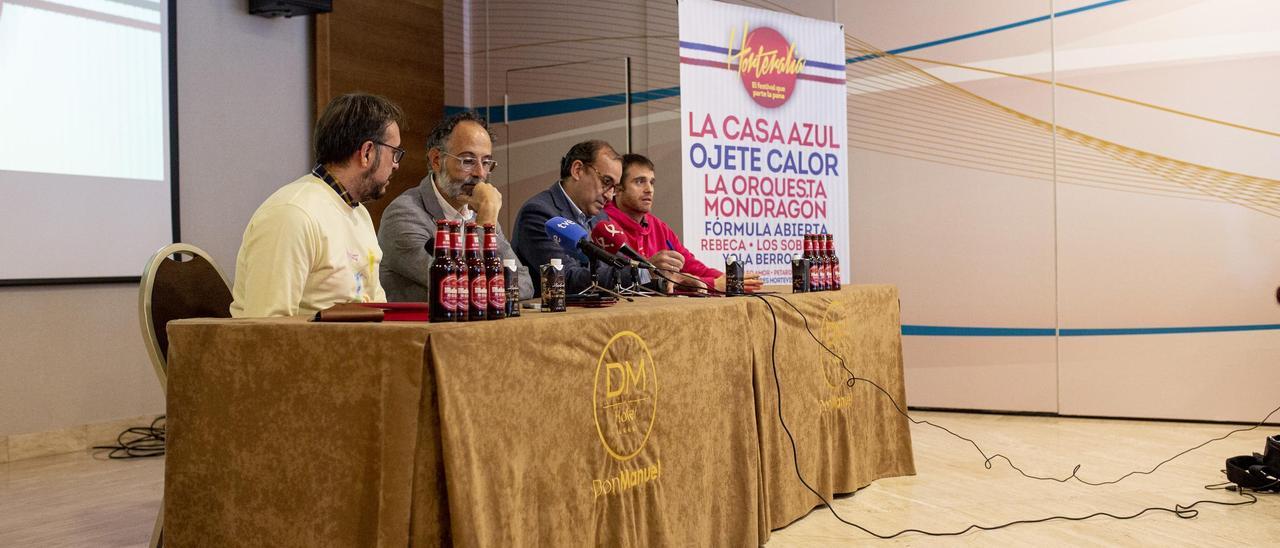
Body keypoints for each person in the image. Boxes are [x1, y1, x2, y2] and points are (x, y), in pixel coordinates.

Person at [230, 92, 402, 317]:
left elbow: (377, 309)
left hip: (358, 347)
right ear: (367, 152)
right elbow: (267, 327)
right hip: (312, 351)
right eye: (394, 153)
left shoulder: (359, 214)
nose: (396, 165)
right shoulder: (292, 214)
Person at [378, 111, 533, 302]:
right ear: (436, 160)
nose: (480, 173)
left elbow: (525, 283)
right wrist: (486, 222)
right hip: (423, 330)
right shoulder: (404, 215)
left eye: (486, 162)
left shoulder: (477, 211)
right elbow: (461, 287)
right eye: (467, 161)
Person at [604, 153, 763, 293]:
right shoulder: (603, 225)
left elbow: (690, 266)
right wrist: (713, 284)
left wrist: (727, 280)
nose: (649, 189)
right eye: (640, 182)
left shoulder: (659, 226)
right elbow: (631, 282)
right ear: (618, 189)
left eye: (652, 182)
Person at [512, 140, 633, 295]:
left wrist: (655, 276)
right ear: (577, 170)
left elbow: (615, 267)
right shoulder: (539, 213)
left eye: (614, 188)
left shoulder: (600, 218)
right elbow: (565, 279)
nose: (609, 196)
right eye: (606, 182)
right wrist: (637, 274)